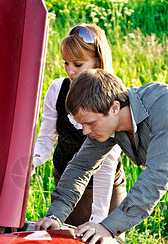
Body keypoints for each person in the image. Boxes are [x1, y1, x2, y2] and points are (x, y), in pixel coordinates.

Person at [35, 68, 168, 244]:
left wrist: (107, 228)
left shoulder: (163, 106)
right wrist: (55, 216)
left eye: (89, 123)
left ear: (114, 108)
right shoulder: (108, 122)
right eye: (82, 124)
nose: (85, 131)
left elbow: (156, 176)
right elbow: (81, 166)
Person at [32, 24, 126, 226]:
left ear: (98, 62)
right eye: (66, 63)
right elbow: (45, 141)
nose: (70, 71)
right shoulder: (57, 90)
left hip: (105, 189)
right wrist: (30, 162)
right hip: (67, 184)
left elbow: (107, 163)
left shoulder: (114, 96)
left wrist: (99, 219)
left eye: (77, 64)